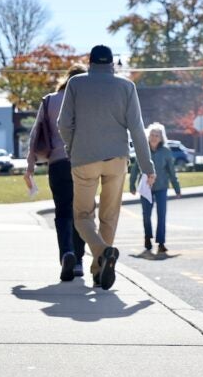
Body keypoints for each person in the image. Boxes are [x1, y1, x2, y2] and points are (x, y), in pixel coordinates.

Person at [58, 45, 156, 290]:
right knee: (109, 217)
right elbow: (137, 128)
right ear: (112, 64)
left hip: (84, 158)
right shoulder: (126, 87)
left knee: (82, 217)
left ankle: (102, 253)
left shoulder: (76, 84)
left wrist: (71, 147)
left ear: (89, 62)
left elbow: (63, 123)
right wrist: (147, 166)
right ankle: (99, 271)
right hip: (117, 159)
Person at [25, 64, 88, 282]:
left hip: (58, 164)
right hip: (85, 164)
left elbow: (36, 133)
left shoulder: (50, 100)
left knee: (62, 213)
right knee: (82, 212)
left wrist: (30, 165)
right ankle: (79, 261)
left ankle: (66, 254)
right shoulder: (88, 101)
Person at [129, 123, 181, 254]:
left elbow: (171, 171)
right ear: (148, 136)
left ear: (161, 137)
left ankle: (161, 242)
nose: (154, 137)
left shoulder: (166, 152)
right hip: (146, 187)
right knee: (146, 215)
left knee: (161, 215)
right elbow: (135, 169)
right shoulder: (143, 149)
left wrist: (177, 188)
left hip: (161, 187)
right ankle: (147, 238)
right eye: (152, 135)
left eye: (157, 135)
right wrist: (132, 185)